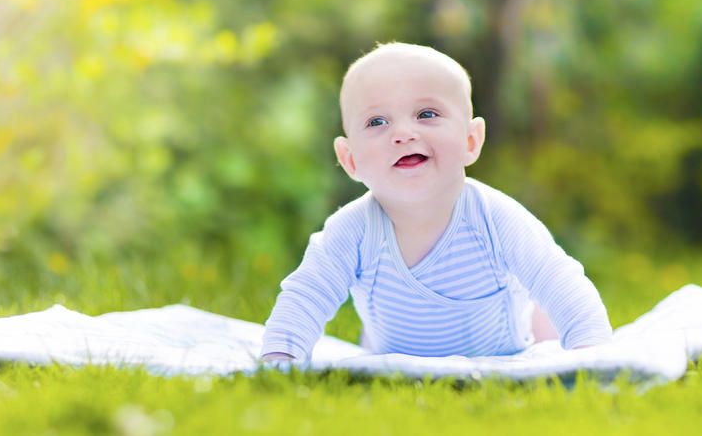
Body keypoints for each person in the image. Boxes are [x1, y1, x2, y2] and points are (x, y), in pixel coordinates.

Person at [260, 43, 611, 362]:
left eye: (426, 114)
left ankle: (539, 323)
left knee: (543, 318)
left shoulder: (495, 218)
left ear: (471, 140)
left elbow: (558, 279)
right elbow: (306, 295)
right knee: (374, 343)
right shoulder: (351, 231)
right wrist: (280, 357)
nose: (403, 133)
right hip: (393, 350)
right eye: (377, 121)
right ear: (350, 159)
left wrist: (591, 351)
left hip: (505, 347)